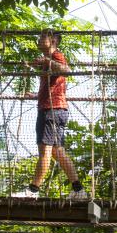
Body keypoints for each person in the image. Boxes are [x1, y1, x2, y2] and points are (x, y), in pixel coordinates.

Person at [12, 30, 87, 200]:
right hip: (54, 109)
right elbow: (53, 87)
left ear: (53, 41)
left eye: (42, 38)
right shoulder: (49, 61)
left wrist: (47, 60)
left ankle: (33, 191)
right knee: (57, 152)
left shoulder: (56, 56)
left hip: (52, 111)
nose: (38, 40)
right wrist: (35, 95)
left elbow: (67, 70)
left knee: (45, 152)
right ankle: (78, 191)